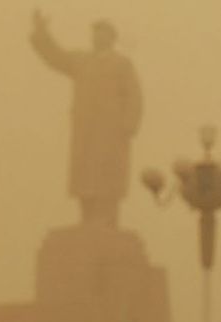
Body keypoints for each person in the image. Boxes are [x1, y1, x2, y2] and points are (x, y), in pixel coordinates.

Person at [30, 10, 143, 228]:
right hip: (85, 130)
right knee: (84, 175)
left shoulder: (121, 64)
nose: (97, 37)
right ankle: (87, 218)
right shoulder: (81, 61)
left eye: (102, 33)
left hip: (111, 132)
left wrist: (128, 124)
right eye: (95, 33)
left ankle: (107, 218)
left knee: (107, 175)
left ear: (111, 37)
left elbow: (134, 95)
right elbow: (56, 57)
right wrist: (41, 32)